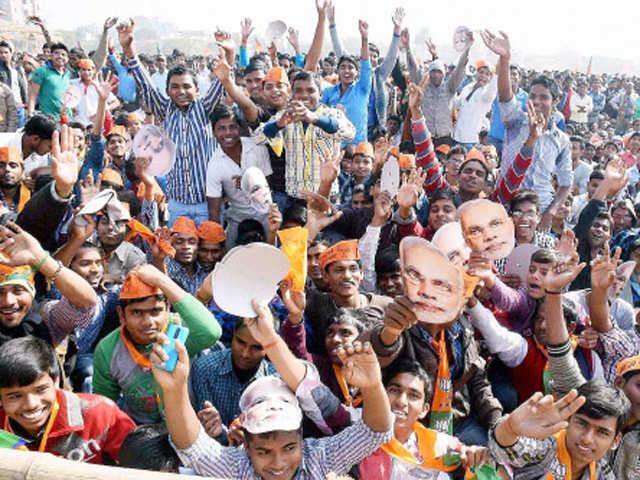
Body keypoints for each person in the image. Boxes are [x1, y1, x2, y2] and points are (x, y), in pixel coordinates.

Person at [148, 296, 394, 479]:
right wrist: (174, 389)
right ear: (246, 446)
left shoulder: (319, 458)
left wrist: (373, 386)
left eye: (289, 447)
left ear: (302, 437)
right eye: (264, 452)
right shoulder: (237, 467)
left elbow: (375, 432)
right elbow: (191, 445)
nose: (279, 464)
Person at [367, 237, 502, 446]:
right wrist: (390, 331)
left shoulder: (464, 328)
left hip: (459, 422)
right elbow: (379, 350)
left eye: (462, 292)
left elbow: (478, 382)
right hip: (412, 427)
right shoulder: (401, 316)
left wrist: (497, 421)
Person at [118, 20, 225, 225]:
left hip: (208, 203)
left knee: (209, 253)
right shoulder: (164, 109)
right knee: (178, 253)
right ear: (167, 91)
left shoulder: (205, 108)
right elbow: (146, 84)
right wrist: (129, 50)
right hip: (177, 204)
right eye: (175, 87)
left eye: (186, 86)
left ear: (197, 90)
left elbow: (222, 82)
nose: (181, 91)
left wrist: (227, 54)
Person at [92, 264, 221, 424]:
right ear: (121, 315)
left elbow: (211, 332)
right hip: (139, 431)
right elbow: (104, 406)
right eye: (137, 313)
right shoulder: (107, 349)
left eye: (155, 311)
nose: (148, 322)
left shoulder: (178, 330)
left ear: (168, 309)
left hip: (186, 425)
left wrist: (162, 281)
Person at [482, 30, 572, 228]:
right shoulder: (516, 121)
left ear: (555, 101)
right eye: (532, 96)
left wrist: (551, 212)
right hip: (507, 204)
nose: (536, 102)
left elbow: (565, 183)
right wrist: (505, 59)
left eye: (543, 97)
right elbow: (505, 97)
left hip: (539, 212)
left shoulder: (562, 140)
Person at [0, 336, 136, 463]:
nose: (31, 404)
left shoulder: (100, 414)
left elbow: (141, 465)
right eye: (15, 396)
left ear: (56, 382)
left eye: (40, 390)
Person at [190, 316, 277, 431]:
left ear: (269, 347)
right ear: (233, 335)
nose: (245, 354)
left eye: (256, 347)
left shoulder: (274, 382)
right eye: (240, 342)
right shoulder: (205, 368)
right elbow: (207, 427)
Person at [328, 6, 404, 136]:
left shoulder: (379, 75)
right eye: (368, 56)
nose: (371, 59)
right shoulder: (352, 73)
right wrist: (332, 24)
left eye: (374, 56)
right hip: (350, 127)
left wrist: (397, 30)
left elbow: (392, 56)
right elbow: (339, 49)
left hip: (374, 129)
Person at [206, 104, 272, 245]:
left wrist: (250, 183)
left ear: (240, 128)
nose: (228, 133)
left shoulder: (257, 148)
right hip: (237, 219)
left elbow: (269, 184)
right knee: (232, 258)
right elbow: (214, 211)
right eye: (221, 129)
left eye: (232, 127)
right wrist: (217, 244)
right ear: (213, 132)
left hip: (265, 215)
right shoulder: (214, 165)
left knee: (271, 256)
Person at [321, 19, 371, 144]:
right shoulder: (328, 91)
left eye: (350, 67)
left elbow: (366, 64)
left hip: (357, 149)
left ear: (357, 72)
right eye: (343, 67)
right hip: (333, 147)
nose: (346, 71)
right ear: (337, 71)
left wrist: (364, 39)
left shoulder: (362, 89)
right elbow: (320, 111)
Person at [453, 61, 498, 150]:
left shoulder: (486, 93)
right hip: (456, 136)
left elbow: (492, 91)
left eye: (487, 74)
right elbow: (456, 105)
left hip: (471, 140)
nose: (483, 76)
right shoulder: (467, 87)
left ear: (490, 78)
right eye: (481, 72)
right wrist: (452, 91)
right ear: (476, 73)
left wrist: (497, 75)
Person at [27, 42, 71, 121]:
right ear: (51, 56)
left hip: (66, 118)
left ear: (67, 59)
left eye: (63, 54)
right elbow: (33, 94)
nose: (60, 56)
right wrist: (30, 114)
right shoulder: (41, 71)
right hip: (48, 119)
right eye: (56, 53)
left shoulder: (68, 74)